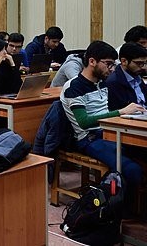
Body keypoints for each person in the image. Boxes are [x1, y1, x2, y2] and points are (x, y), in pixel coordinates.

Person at [61, 40, 145, 207]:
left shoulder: (102, 83)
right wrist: (121, 112)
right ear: (92, 61)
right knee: (132, 169)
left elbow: (107, 111)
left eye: (113, 64)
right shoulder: (74, 87)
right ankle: (121, 211)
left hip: (108, 133)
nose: (111, 69)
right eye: (108, 64)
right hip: (89, 139)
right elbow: (84, 122)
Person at [106, 42, 147, 111]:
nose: (143, 67)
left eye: (145, 63)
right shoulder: (113, 83)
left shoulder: (137, 75)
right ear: (124, 61)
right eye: (139, 63)